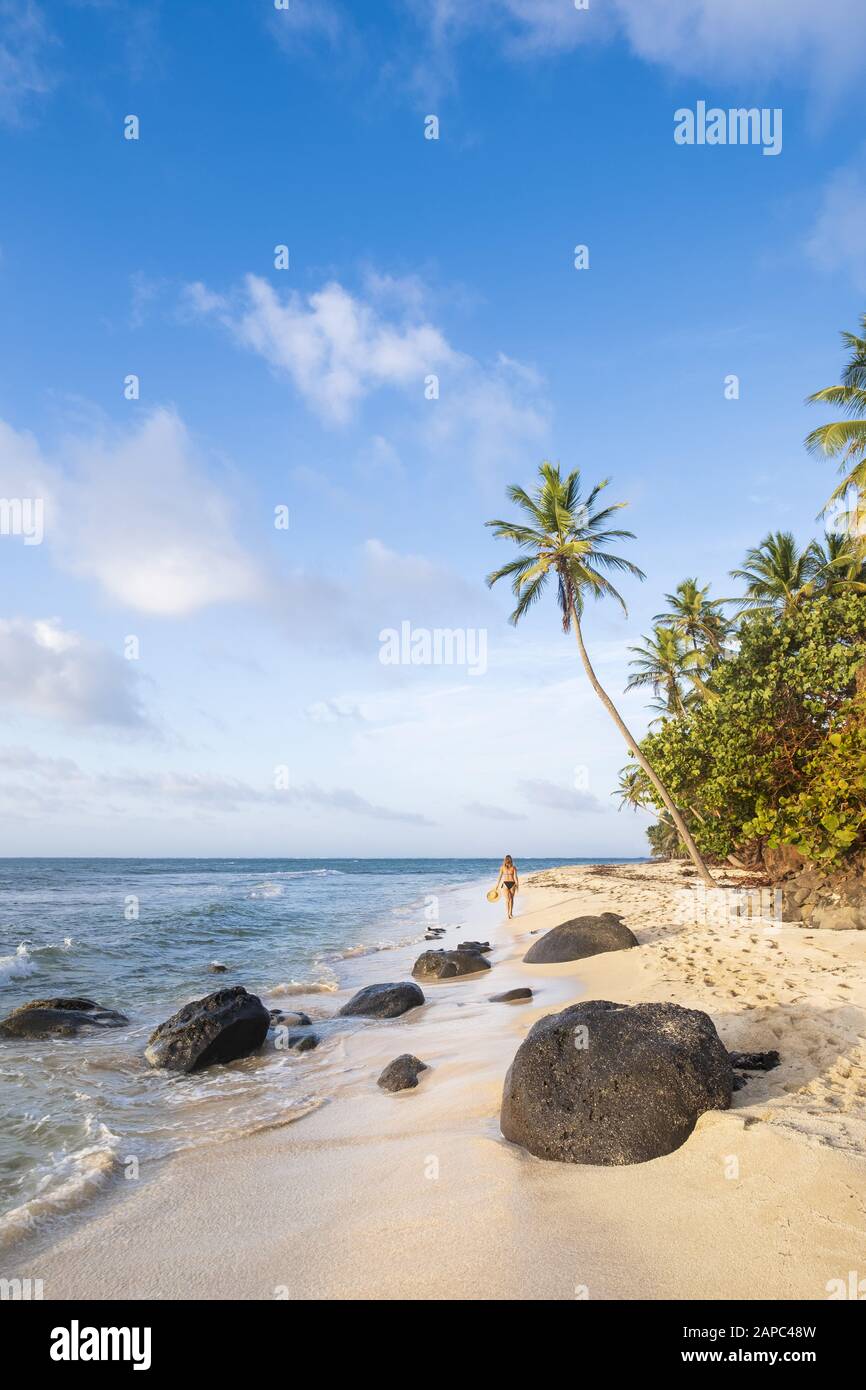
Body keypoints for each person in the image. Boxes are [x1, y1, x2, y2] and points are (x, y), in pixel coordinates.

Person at [496, 854, 519, 919]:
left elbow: (515, 877)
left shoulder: (513, 867)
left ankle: (510, 913)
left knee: (510, 899)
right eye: (507, 859)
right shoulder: (503, 867)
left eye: (508, 859)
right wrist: (497, 885)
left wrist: (517, 885)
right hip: (507, 884)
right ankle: (509, 913)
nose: (508, 860)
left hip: (511, 883)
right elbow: (500, 876)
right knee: (509, 899)